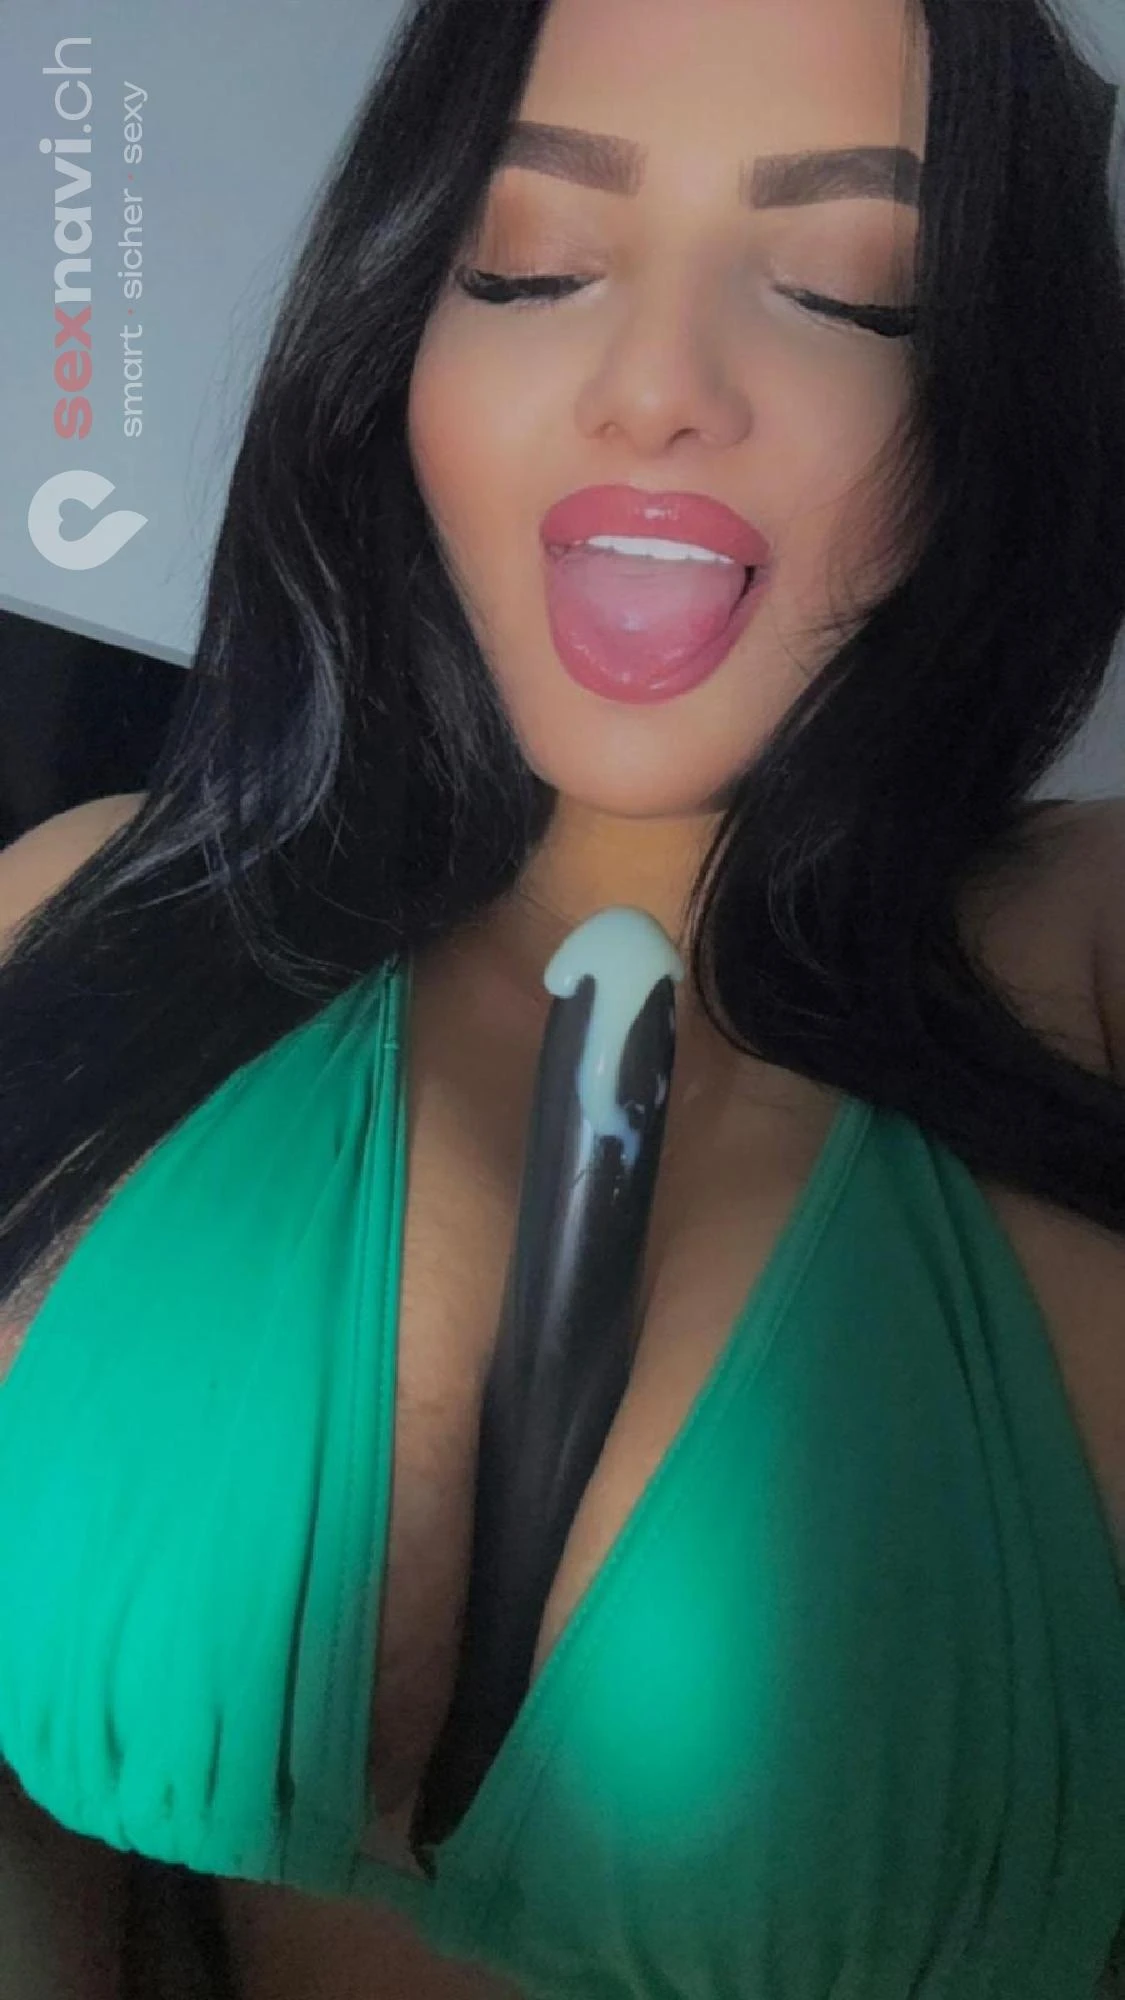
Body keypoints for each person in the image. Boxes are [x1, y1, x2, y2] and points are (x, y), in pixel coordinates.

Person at [1, 0, 1124, 1993]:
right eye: (525, 264)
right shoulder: (77, 924)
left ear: (1003, 395)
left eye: (848, 290)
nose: (654, 388)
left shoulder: (1093, 951)